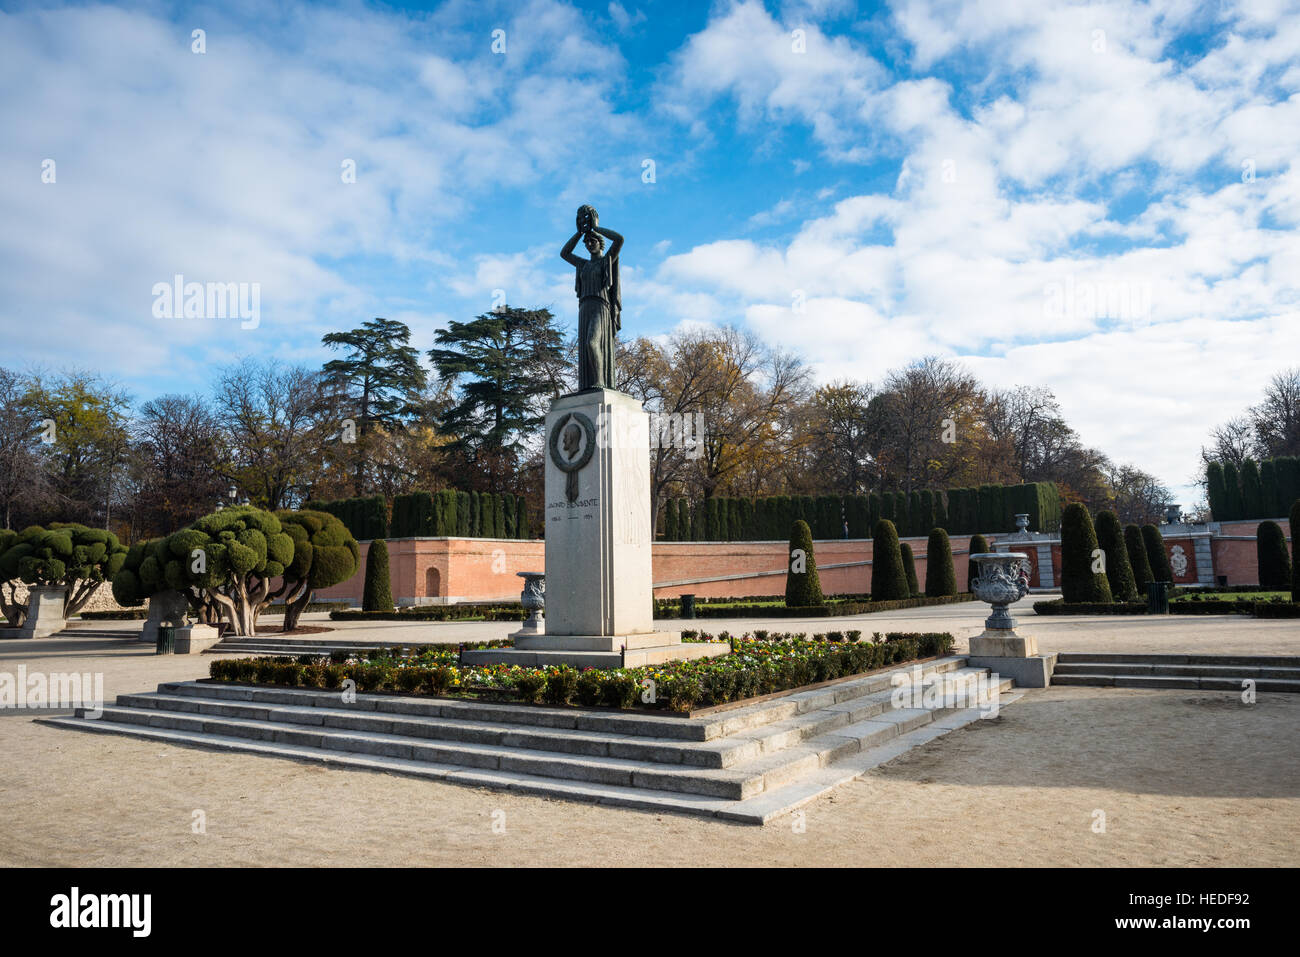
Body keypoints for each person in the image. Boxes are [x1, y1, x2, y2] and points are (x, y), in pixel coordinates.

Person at [561, 205, 623, 391]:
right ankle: (589, 384)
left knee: (592, 342)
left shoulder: (607, 260)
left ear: (600, 243)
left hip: (600, 306)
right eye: (587, 242)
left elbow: (620, 239)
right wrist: (580, 232)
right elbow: (564, 253)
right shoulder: (583, 264)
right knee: (585, 349)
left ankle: (600, 382)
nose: (589, 244)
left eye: (593, 241)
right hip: (584, 308)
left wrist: (596, 227)